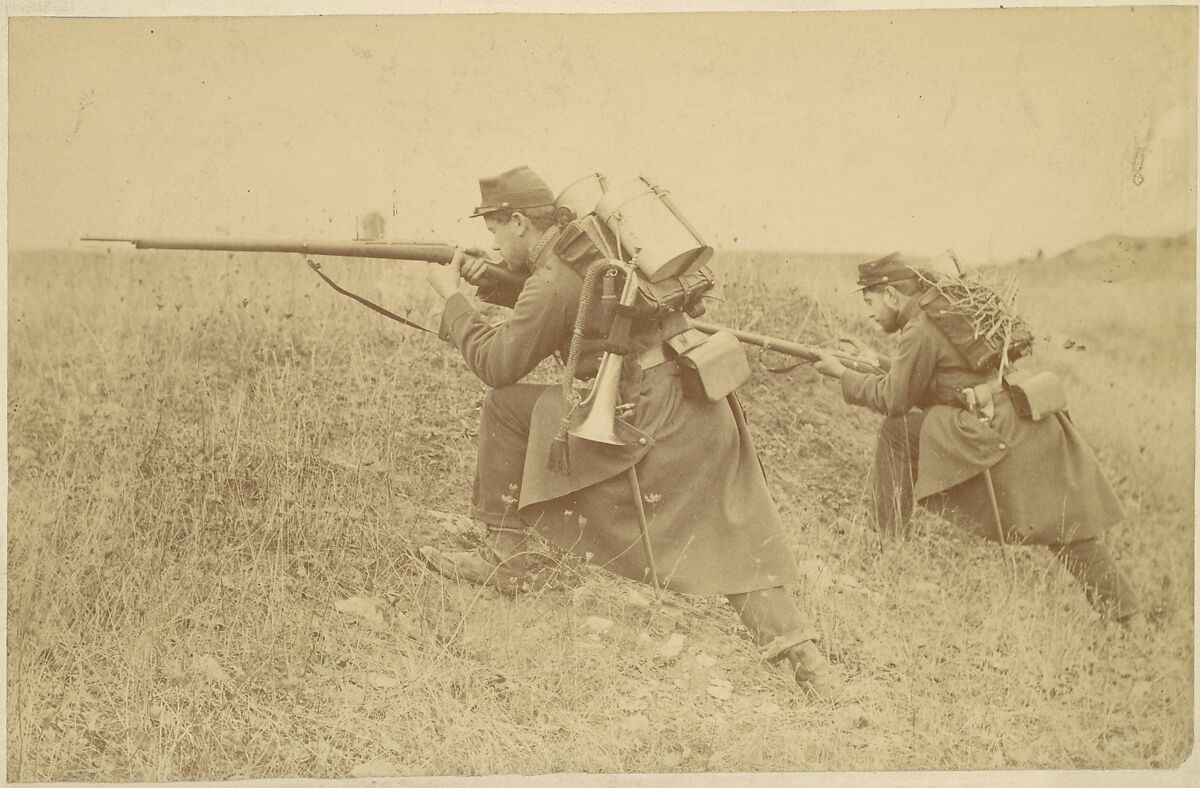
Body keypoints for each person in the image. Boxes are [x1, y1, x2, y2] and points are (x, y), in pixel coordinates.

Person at [418, 165, 842, 699]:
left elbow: (500, 364)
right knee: (731, 534)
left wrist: (452, 299)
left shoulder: (553, 278)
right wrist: (495, 283)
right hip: (698, 398)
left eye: (495, 231)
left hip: (644, 416)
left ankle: (507, 560)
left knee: (506, 406)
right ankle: (811, 668)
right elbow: (578, 309)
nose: (494, 243)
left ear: (520, 222)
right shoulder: (593, 246)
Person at [812, 253, 1142, 627]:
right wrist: (876, 362)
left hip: (997, 431)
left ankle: (884, 541)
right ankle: (1130, 619)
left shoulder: (920, 328)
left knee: (896, 433)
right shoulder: (943, 312)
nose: (869, 314)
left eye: (869, 301)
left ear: (891, 295)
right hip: (1024, 419)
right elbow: (935, 375)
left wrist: (842, 375)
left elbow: (895, 400)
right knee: (1067, 528)